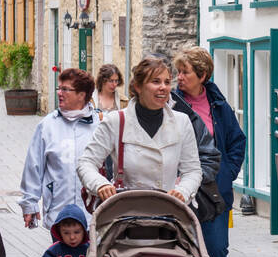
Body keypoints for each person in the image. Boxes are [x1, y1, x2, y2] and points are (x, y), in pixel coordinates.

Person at [173, 47, 245, 257]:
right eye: (178, 71)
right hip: (181, 191)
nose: (179, 77)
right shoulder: (172, 105)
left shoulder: (218, 105)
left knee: (216, 252)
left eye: (185, 72)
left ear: (202, 75)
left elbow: (237, 142)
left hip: (215, 192)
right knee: (182, 252)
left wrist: (226, 175)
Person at [77, 55, 202, 208]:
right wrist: (101, 185)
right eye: (156, 81)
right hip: (125, 215)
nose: (163, 87)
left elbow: (192, 170)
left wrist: (182, 191)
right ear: (138, 86)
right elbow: (86, 162)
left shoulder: (181, 122)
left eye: (167, 82)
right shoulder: (116, 121)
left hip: (168, 213)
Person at [20, 68, 97, 230]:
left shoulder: (99, 125)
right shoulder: (48, 125)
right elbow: (34, 166)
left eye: (65, 89)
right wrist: (29, 203)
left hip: (93, 215)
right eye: (59, 88)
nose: (59, 93)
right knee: (60, 255)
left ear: (82, 95)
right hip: (58, 212)